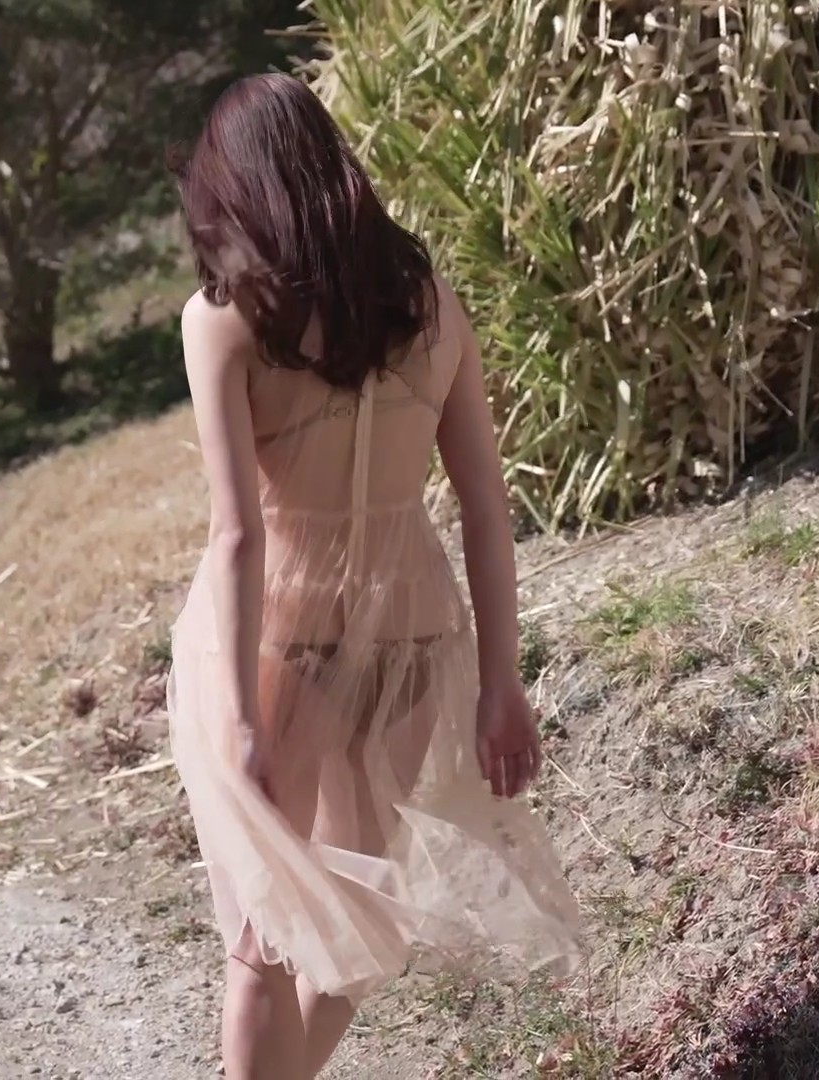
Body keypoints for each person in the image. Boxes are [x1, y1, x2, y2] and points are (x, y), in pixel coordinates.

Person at [166, 73, 583, 1079]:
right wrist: (501, 681)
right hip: (411, 637)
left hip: (283, 641)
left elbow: (237, 536)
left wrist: (243, 719)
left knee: (263, 940)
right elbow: (486, 508)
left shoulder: (226, 320)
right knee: (358, 920)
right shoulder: (429, 305)